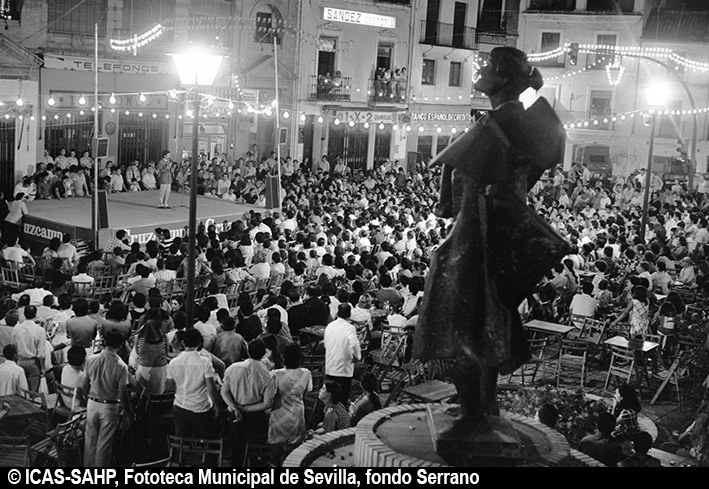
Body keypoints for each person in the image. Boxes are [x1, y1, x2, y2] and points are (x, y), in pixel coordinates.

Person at [414, 46, 570, 427]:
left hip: (477, 229)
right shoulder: (532, 124)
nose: (479, 71)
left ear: (502, 76)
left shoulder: (496, 124)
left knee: (458, 318)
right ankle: (484, 404)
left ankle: (473, 412)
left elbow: (451, 198)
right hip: (502, 228)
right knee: (489, 316)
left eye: (486, 66)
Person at [221, 338, 276, 466]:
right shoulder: (267, 375)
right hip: (255, 416)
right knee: (253, 450)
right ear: (264, 353)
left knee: (236, 448)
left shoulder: (232, 368)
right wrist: (245, 409)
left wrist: (234, 408)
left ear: (248, 351)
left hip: (234, 414)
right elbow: (267, 403)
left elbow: (224, 392)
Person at [81, 329, 132, 467]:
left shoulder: (91, 359)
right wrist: (128, 412)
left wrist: (86, 398)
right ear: (121, 345)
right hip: (109, 406)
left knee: (89, 440)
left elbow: (84, 385)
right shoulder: (121, 366)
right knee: (104, 443)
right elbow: (123, 393)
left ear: (104, 342)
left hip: (92, 402)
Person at [165, 328, 221, 438]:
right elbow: (211, 388)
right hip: (201, 408)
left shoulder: (173, 362)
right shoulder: (204, 362)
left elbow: (169, 387)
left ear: (183, 342)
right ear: (199, 343)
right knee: (207, 438)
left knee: (182, 439)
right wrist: (217, 406)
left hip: (180, 407)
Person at [268, 342, 313, 445]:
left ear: (284, 357)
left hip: (279, 416)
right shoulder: (306, 373)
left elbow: (272, 396)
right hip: (298, 415)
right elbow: (305, 395)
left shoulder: (276, 374)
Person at [324, 303, 361, 404]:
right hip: (343, 368)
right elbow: (354, 344)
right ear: (349, 315)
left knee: (331, 398)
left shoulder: (329, 326)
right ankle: (341, 413)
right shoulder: (350, 328)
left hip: (330, 365)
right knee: (342, 399)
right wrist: (357, 357)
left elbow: (326, 344)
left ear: (337, 313)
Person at [12, 305, 47, 391]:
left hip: (20, 360)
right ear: (35, 315)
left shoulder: (16, 328)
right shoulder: (40, 330)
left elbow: (13, 346)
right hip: (33, 362)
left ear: (24, 314)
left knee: (21, 390)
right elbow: (41, 353)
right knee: (33, 391)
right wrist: (43, 368)